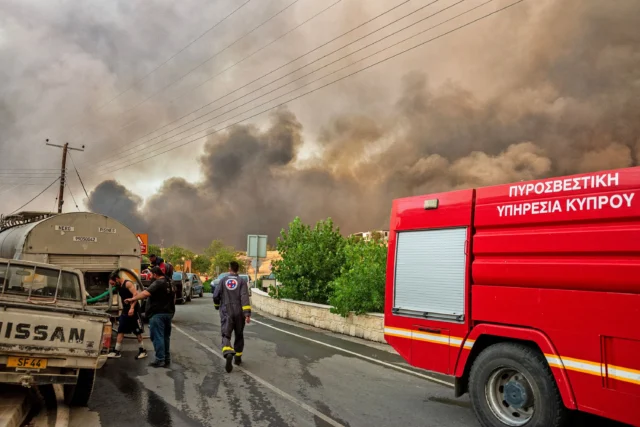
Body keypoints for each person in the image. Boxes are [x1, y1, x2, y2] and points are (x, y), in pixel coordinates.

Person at [125, 267, 175, 368]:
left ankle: (159, 359)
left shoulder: (158, 283)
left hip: (157, 314)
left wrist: (133, 299)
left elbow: (145, 294)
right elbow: (173, 297)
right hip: (168, 313)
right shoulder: (170, 282)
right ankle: (166, 358)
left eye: (151, 274)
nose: (150, 276)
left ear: (155, 274)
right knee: (165, 337)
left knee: (157, 337)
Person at [213, 261, 251, 373]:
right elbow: (244, 297)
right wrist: (247, 314)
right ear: (237, 269)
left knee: (226, 334)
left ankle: (228, 352)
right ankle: (237, 358)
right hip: (239, 312)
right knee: (239, 334)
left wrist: (217, 306)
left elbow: (216, 295)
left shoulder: (223, 280)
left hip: (226, 311)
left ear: (229, 269)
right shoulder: (242, 282)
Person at [107, 274, 148, 360]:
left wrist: (132, 308)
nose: (113, 286)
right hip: (125, 310)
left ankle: (143, 351)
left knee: (137, 331)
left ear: (117, 279)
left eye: (113, 283)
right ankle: (117, 351)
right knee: (121, 329)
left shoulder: (128, 284)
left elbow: (136, 295)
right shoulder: (119, 286)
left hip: (134, 310)